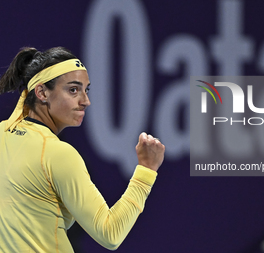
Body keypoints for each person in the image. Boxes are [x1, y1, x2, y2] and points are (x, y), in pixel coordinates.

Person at [0, 47, 165, 252]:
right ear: (42, 92)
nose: (85, 101)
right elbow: (110, 233)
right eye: (73, 90)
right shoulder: (58, 154)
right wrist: (146, 170)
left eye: (86, 90)